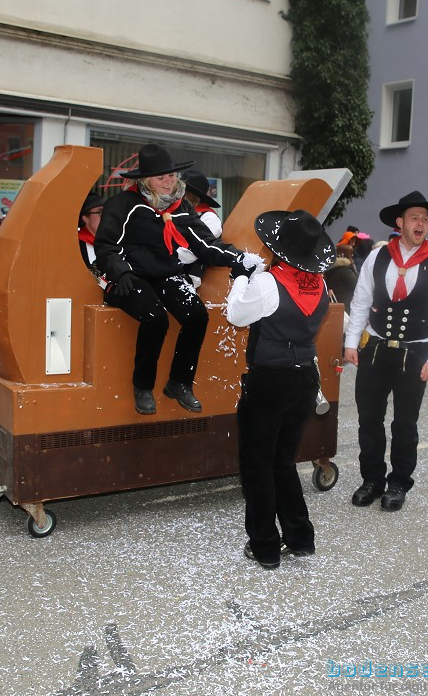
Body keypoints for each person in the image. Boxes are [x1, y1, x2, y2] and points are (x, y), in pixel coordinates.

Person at [94, 144, 250, 416]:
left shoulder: (181, 206)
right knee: (155, 318)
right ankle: (142, 386)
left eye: (171, 175)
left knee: (197, 314)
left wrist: (239, 258)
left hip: (165, 273)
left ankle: (180, 382)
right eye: (160, 177)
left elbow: (204, 244)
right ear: (145, 180)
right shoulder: (123, 205)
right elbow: (106, 245)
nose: (168, 182)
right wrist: (121, 271)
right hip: (130, 276)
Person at [226, 209, 334, 569]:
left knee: (257, 465)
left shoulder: (269, 283)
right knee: (283, 461)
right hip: (303, 379)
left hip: (269, 379)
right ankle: (300, 538)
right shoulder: (319, 285)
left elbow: (236, 314)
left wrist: (241, 277)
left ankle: (265, 546)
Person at [343, 191, 428, 512]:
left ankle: (398, 482)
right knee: (369, 419)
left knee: (405, 424)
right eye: (414, 218)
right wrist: (351, 341)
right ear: (400, 222)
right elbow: (361, 300)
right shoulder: (378, 257)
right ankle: (372, 480)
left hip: (416, 353)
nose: (420, 223)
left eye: (424, 218)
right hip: (376, 351)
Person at [77, 191, 106, 284]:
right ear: (85, 217)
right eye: (100, 212)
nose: (105, 216)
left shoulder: (115, 243)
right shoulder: (76, 246)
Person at [324, 244, 358, 313]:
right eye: (351, 253)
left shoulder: (329, 267)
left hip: (334, 301)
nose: (352, 255)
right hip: (345, 303)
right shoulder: (345, 270)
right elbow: (355, 286)